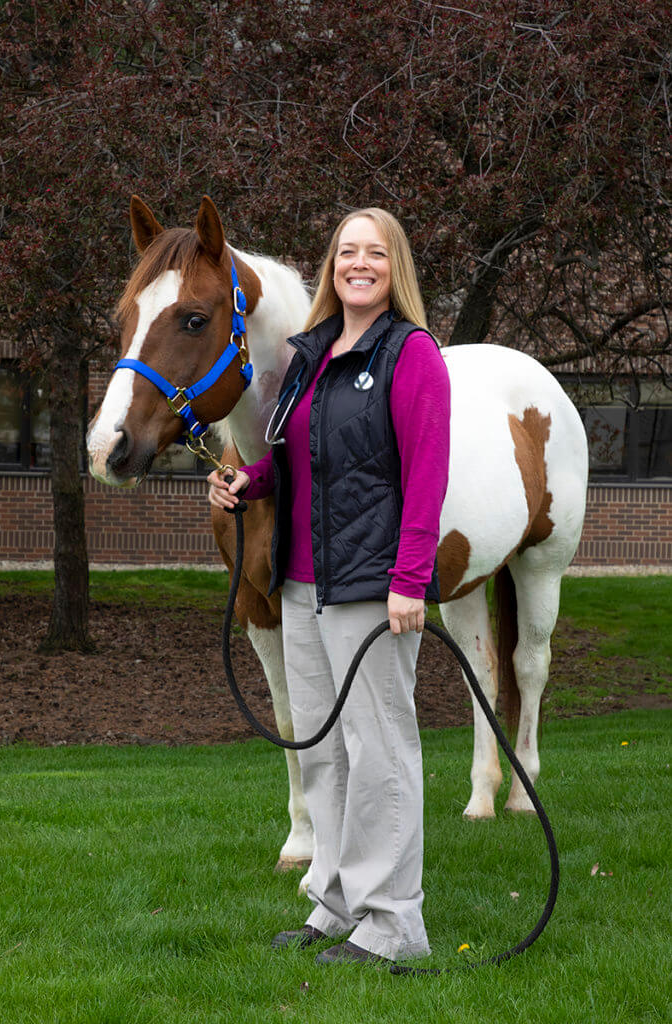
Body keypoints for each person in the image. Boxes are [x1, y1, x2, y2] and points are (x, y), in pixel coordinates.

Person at [208, 208, 451, 966]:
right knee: (323, 751)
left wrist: (409, 581)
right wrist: (247, 482)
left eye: (374, 253)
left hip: (372, 587)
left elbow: (425, 477)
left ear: (394, 267)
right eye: (346, 251)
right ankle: (337, 903)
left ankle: (394, 927)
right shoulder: (312, 353)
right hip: (303, 583)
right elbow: (297, 459)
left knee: (378, 752)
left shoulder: (410, 354)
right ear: (330, 265)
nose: (358, 263)